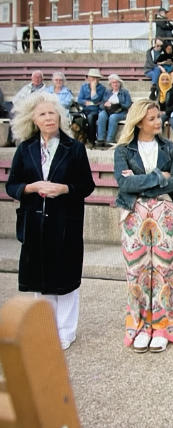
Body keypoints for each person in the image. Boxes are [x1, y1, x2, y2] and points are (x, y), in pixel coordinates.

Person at [6, 91, 95, 351]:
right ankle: (46, 329)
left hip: (65, 223)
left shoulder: (74, 148)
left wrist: (64, 189)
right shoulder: (25, 149)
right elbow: (12, 185)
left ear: (59, 116)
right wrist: (31, 188)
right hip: (34, 224)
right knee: (40, 282)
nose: (48, 118)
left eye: (52, 112)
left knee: (65, 280)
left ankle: (66, 332)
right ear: (33, 119)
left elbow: (86, 185)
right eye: (42, 114)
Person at [114, 99, 173, 353]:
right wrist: (158, 177)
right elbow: (125, 184)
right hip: (134, 215)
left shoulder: (170, 148)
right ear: (138, 122)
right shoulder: (123, 151)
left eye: (159, 117)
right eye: (152, 118)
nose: (159, 122)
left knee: (167, 272)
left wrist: (141, 181)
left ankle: (164, 327)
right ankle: (141, 327)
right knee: (137, 273)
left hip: (165, 215)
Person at [96, 74, 132, 147]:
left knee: (113, 117)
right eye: (113, 82)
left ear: (120, 83)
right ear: (110, 84)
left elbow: (128, 104)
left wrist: (118, 104)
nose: (115, 84)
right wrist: (105, 104)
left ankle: (110, 140)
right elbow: (101, 105)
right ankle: (101, 139)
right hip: (108, 111)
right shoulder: (107, 92)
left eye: (117, 82)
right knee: (102, 115)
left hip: (121, 112)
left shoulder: (125, 92)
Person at [77, 68, 106, 148]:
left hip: (95, 111)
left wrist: (93, 90)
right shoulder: (83, 87)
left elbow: (96, 100)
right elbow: (79, 100)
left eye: (96, 78)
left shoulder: (102, 88)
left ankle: (91, 141)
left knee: (90, 118)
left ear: (98, 79)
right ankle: (81, 140)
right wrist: (85, 102)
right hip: (84, 110)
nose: (93, 80)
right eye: (91, 77)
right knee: (78, 119)